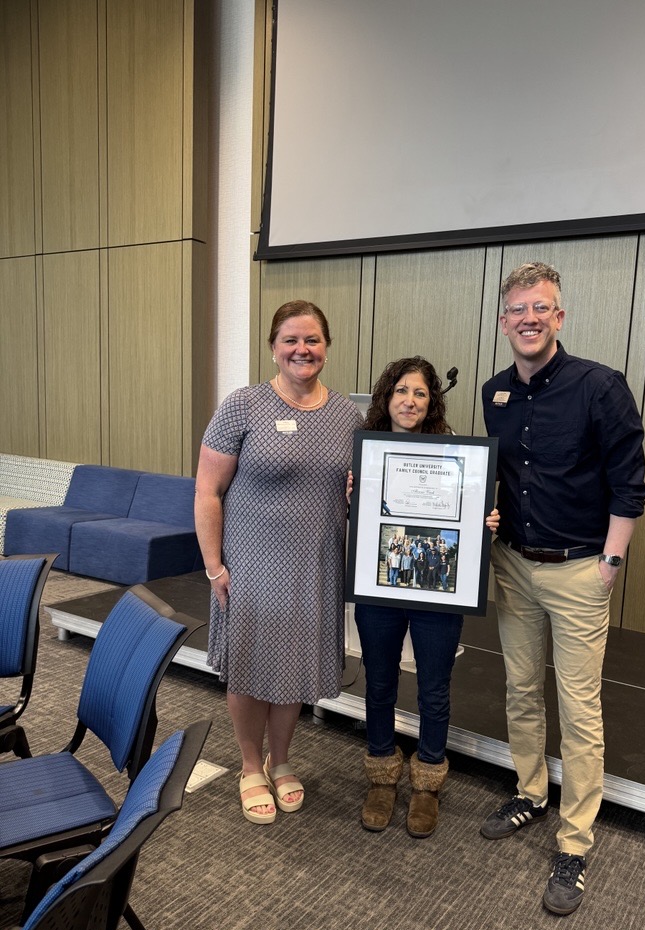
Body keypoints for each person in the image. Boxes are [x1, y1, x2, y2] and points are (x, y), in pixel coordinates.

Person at [481, 262, 645, 914]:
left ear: (559, 317)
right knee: (520, 689)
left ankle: (575, 843)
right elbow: (497, 479)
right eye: (518, 309)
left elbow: (630, 483)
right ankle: (530, 793)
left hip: (581, 571)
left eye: (541, 308)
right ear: (505, 322)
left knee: (580, 712)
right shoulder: (496, 392)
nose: (529, 318)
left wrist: (610, 563)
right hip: (514, 566)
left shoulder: (600, 387)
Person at [195, 299, 361, 825]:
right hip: (251, 566)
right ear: (273, 347)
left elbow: (362, 491)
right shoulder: (243, 406)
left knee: (295, 666)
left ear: (326, 348)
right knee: (248, 666)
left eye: (312, 340)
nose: (301, 350)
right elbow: (207, 490)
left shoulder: (347, 417)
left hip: (315, 567)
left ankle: (282, 759)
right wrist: (214, 566)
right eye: (291, 340)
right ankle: (249, 765)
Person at [350, 356, 499, 838]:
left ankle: (428, 781)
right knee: (379, 682)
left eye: (419, 392)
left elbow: (468, 521)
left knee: (434, 688)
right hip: (381, 587)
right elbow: (361, 524)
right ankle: (380, 775)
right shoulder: (365, 454)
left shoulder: (455, 454)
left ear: (431, 400)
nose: (409, 400)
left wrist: (483, 525)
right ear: (384, 398)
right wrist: (353, 499)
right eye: (400, 391)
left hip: (438, 592)